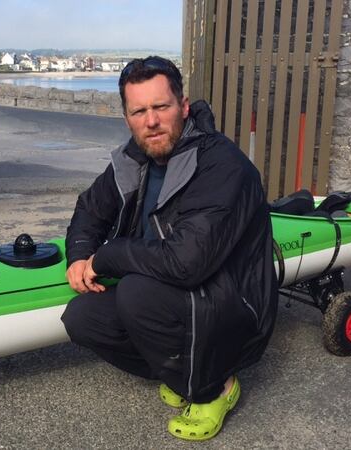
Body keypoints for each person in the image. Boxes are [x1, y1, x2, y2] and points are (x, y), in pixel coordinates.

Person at [61, 56, 278, 441]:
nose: (151, 121)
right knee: (82, 318)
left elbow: (187, 262)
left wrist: (106, 258)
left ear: (183, 106)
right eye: (139, 111)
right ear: (127, 116)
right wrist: (80, 254)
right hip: (169, 289)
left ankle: (216, 386)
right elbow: (91, 208)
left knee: (135, 293)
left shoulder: (222, 165)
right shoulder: (135, 157)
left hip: (231, 302)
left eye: (160, 107)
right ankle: (180, 373)